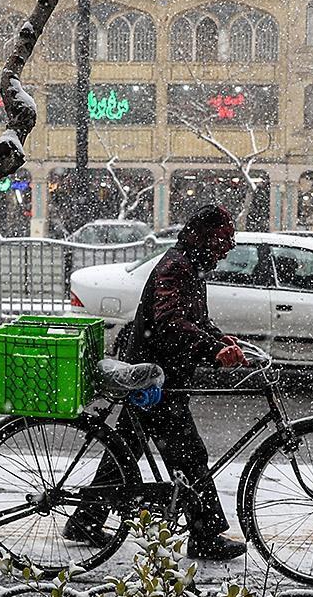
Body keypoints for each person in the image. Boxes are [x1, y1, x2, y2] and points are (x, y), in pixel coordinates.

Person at [64, 204, 249, 560]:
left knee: (127, 453)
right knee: (190, 455)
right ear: (205, 236)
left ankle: (85, 520)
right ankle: (205, 535)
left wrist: (221, 340)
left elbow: (194, 319)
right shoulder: (177, 267)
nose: (228, 246)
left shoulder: (190, 266)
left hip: (160, 377)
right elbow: (168, 322)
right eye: (225, 238)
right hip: (155, 380)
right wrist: (211, 350)